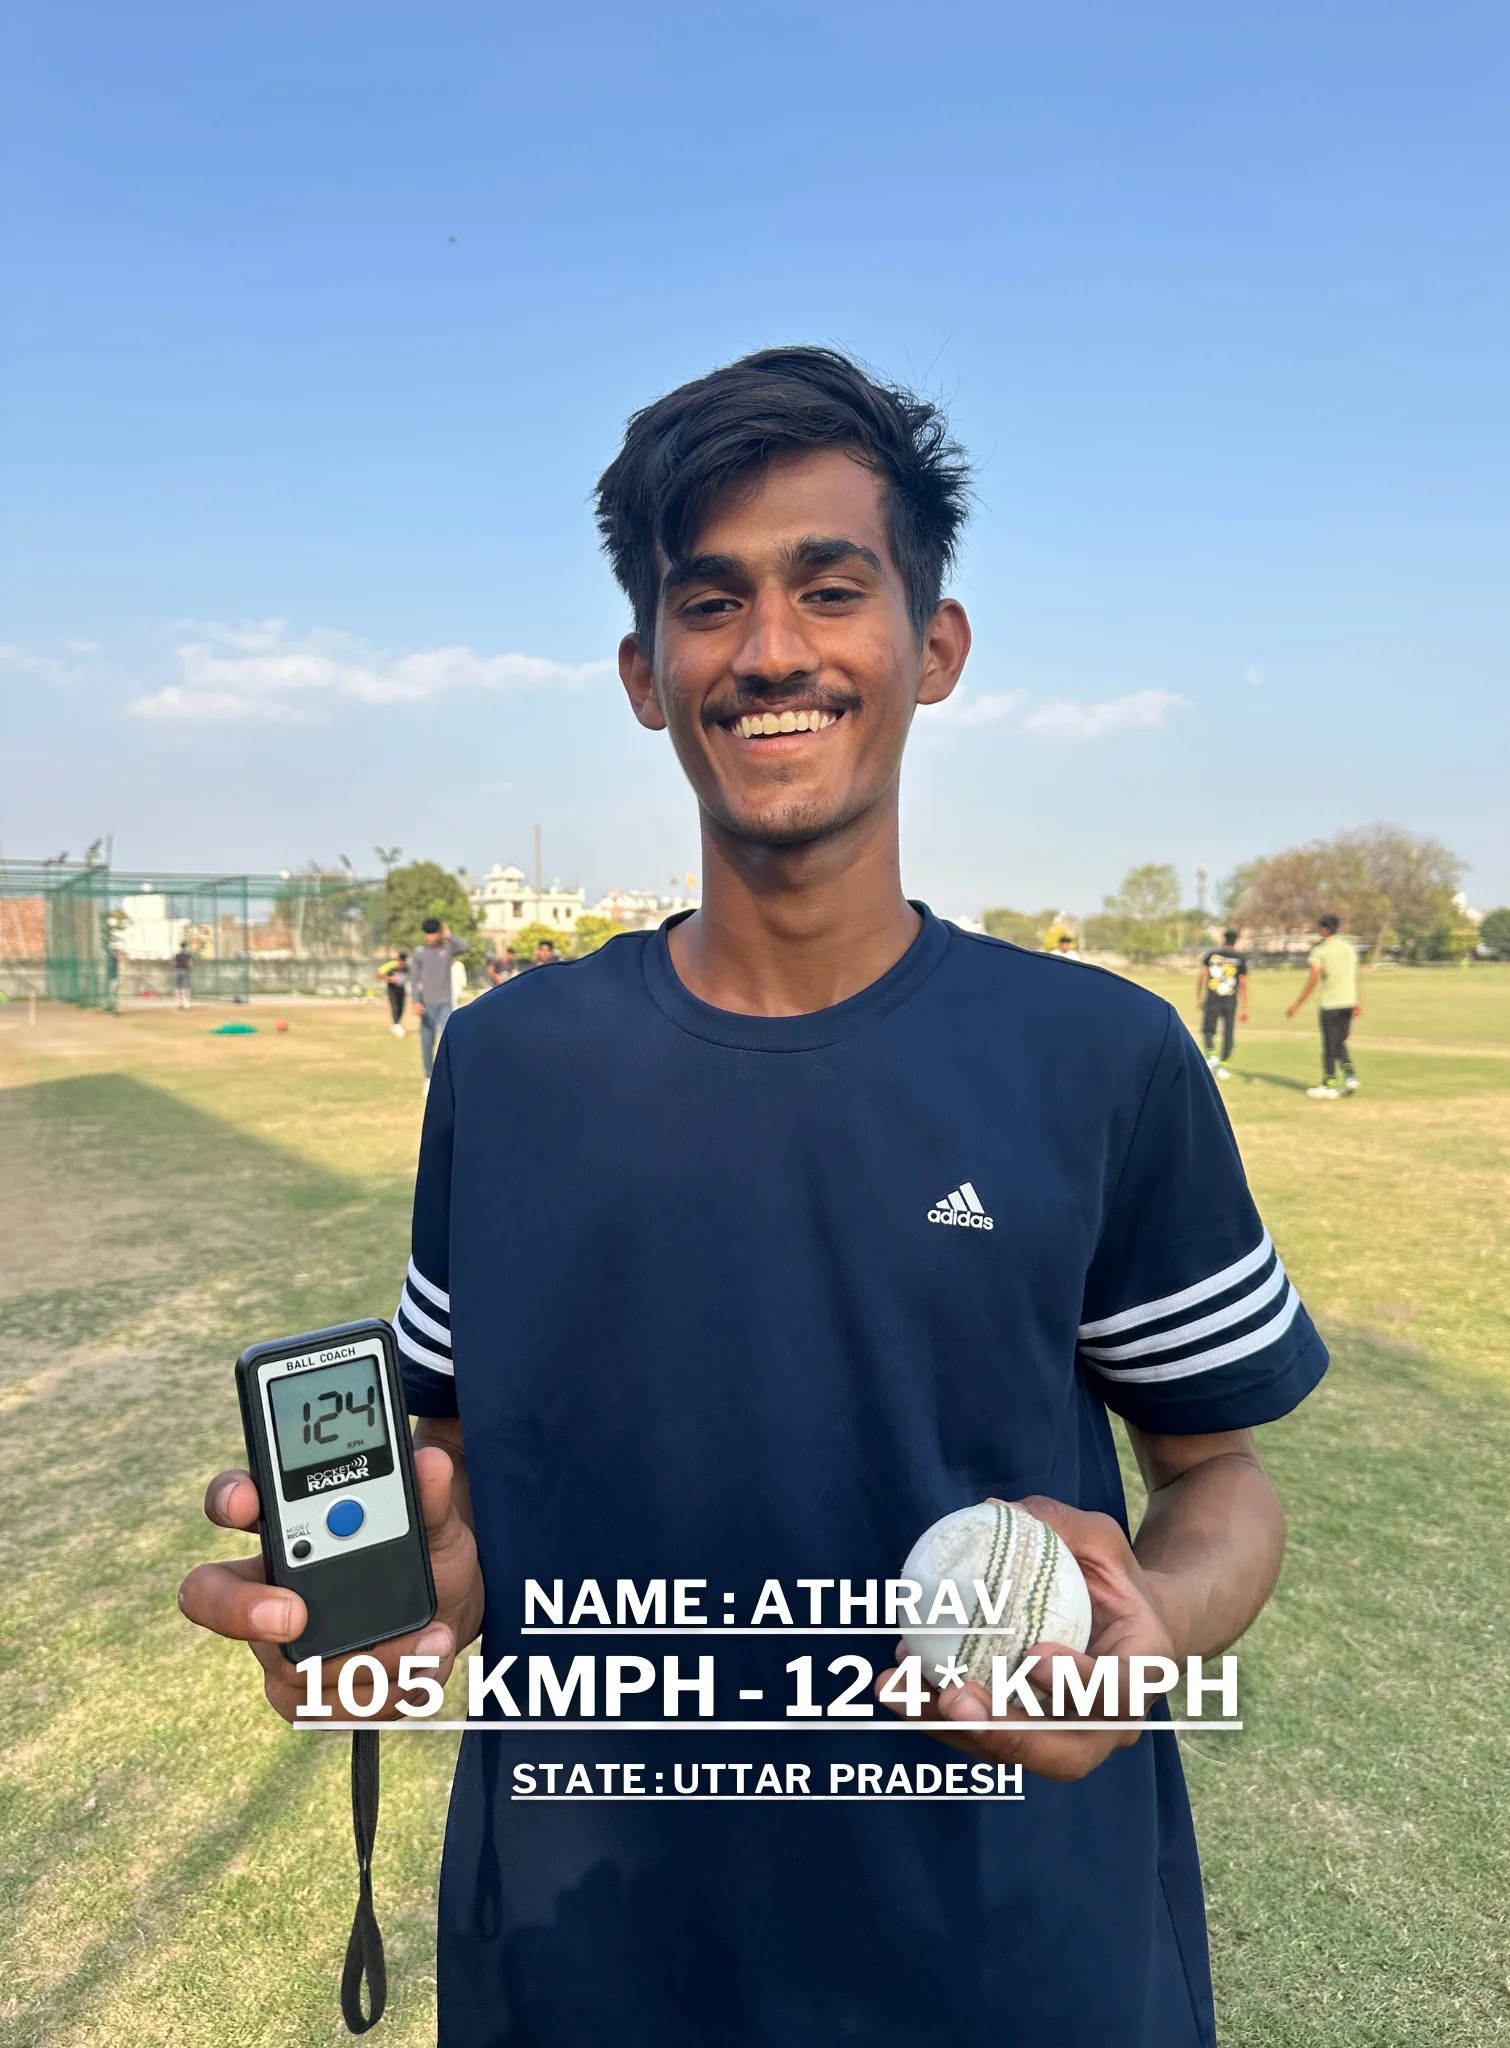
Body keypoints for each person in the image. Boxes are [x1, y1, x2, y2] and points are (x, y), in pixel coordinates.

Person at [180, 347, 1328, 2048]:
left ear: (931, 649)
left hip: (1008, 1958)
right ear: (648, 674)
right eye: (711, 601)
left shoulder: (1101, 1055)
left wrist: (1151, 1626)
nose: (773, 647)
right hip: (587, 1957)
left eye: (830, 587)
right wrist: (389, 1602)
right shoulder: (504, 1066)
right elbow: (474, 1480)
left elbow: (1220, 1475)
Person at [1287, 912, 1360, 1098]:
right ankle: (1351, 1076)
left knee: (1329, 1045)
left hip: (1331, 1004)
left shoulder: (1321, 951)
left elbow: (1314, 979)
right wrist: (1356, 1000)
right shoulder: (1349, 948)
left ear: (1324, 929)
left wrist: (1297, 1004)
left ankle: (1329, 1084)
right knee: (1339, 1042)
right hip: (1348, 1002)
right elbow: (1351, 975)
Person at [408, 918, 467, 1095]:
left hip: (445, 1003)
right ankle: (428, 1077)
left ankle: (449, 1078)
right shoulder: (419, 953)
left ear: (439, 933)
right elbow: (414, 978)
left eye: (433, 933)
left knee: (448, 1040)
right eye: (427, 934)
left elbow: (465, 946)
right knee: (427, 1042)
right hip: (426, 1004)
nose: (430, 937)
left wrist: (450, 935)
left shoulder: (448, 948)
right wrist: (415, 1001)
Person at [1195, 926, 1248, 1079]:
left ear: (1223, 939)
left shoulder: (1212, 955)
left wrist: (1199, 996)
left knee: (1208, 1029)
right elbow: (1243, 983)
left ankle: (1211, 1056)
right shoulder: (1239, 959)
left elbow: (1202, 975)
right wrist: (1245, 1006)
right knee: (1228, 1032)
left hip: (1213, 997)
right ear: (1235, 941)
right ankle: (1223, 1066)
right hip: (1230, 1000)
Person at [376, 949, 410, 1036]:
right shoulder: (391, 965)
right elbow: (377, 975)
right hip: (392, 988)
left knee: (402, 1006)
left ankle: (397, 1023)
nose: (402, 963)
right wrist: (390, 978)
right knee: (395, 1006)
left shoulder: (407, 967)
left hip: (401, 988)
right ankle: (396, 1024)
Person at [172, 943, 193, 1010]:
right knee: (185, 987)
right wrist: (188, 966)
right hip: (185, 971)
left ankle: (178, 1003)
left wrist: (177, 965)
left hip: (178, 971)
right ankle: (185, 1003)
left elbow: (174, 963)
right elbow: (190, 964)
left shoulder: (177, 954)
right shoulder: (188, 954)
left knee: (178, 987)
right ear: (186, 947)